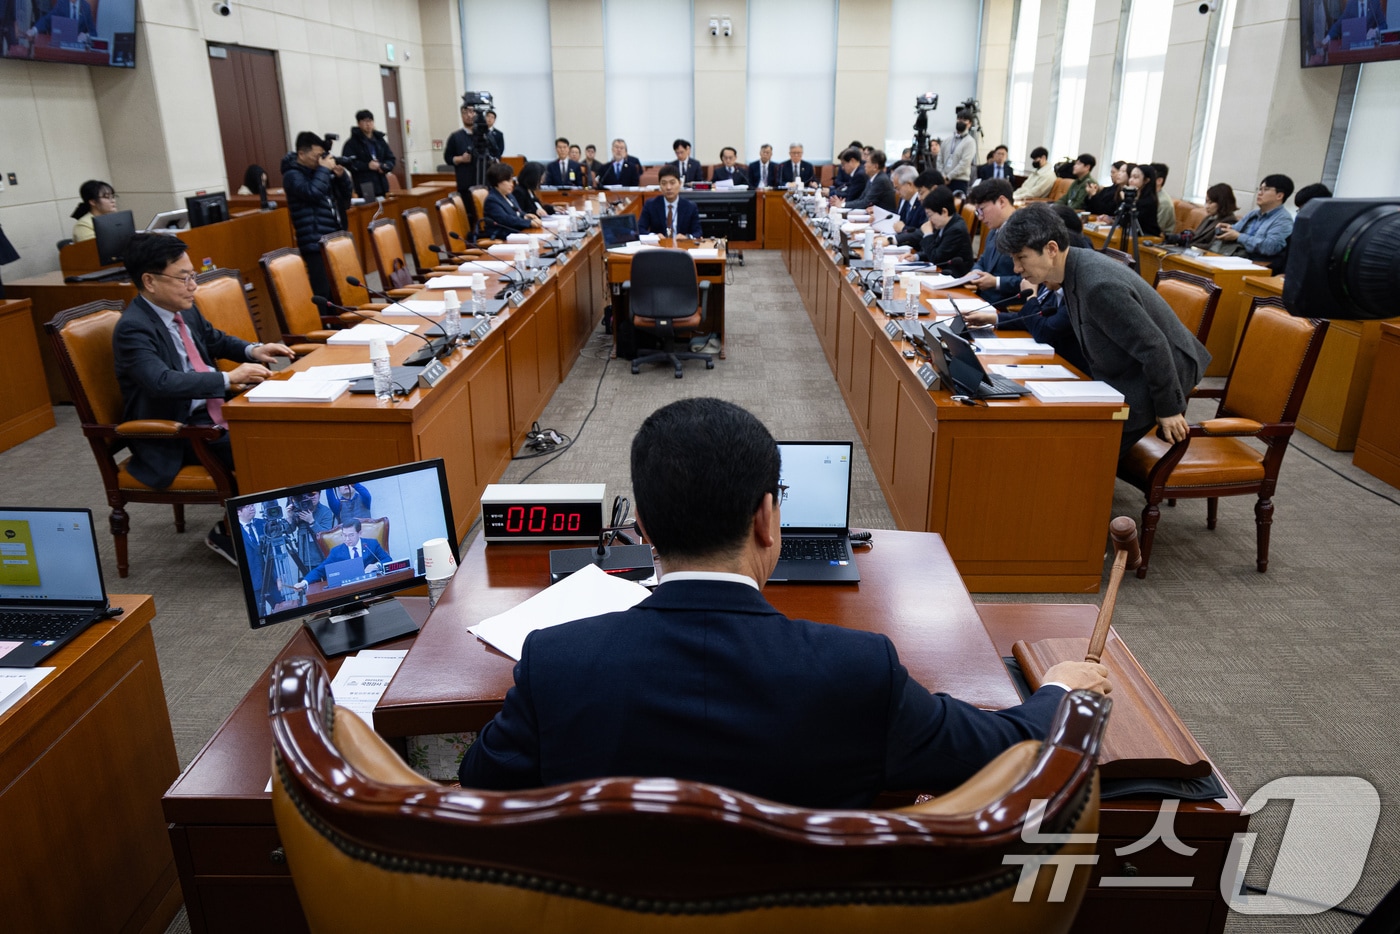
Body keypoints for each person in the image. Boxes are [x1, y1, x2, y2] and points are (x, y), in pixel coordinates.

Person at [459, 397, 1110, 807]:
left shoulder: (556, 662)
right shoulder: (858, 671)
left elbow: (479, 784)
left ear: (645, 532)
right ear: (769, 520)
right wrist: (1062, 688)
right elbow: (1012, 750)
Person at [112, 234, 294, 560]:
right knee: (264, 448)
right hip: (176, 431)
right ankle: (227, 533)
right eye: (183, 278)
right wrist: (228, 378)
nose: (193, 285)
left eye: (193, 275)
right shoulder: (133, 328)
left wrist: (253, 349)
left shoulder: (184, 309)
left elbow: (216, 340)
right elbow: (161, 382)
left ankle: (272, 530)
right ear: (149, 281)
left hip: (213, 412)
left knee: (282, 431)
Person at [996, 204, 1210, 459]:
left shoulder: (1098, 285)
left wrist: (1169, 409)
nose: (1016, 268)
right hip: (1120, 369)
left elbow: (1153, 345)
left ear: (1051, 249)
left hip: (1155, 379)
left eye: (1021, 258)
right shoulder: (1072, 268)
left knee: (1077, 452)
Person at [281, 131, 353, 300]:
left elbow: (345, 199)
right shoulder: (292, 175)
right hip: (313, 242)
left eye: (322, 155)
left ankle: (340, 323)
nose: (320, 159)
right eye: (317, 155)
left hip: (333, 238)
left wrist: (341, 177)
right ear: (301, 154)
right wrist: (323, 170)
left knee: (340, 289)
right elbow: (312, 192)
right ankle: (323, 325)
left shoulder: (318, 172)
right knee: (322, 291)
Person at [964, 179, 1024, 304]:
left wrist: (996, 282)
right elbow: (982, 260)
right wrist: (976, 271)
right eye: (977, 212)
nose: (980, 217)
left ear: (1001, 201)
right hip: (982, 300)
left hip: (1005, 306)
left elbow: (1033, 281)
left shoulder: (1025, 230)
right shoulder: (994, 230)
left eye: (982, 210)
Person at [293, 518, 391, 591]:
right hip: (350, 589)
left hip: (372, 586)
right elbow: (321, 570)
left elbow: (388, 560)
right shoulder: (337, 552)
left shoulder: (371, 544)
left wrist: (376, 565)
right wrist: (304, 582)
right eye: (344, 535)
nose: (347, 539)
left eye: (351, 535)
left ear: (359, 533)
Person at [1214, 174, 1294, 261]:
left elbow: (1270, 247)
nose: (1259, 193)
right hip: (1237, 257)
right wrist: (1228, 229)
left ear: (1279, 196)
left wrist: (1239, 237)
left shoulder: (1283, 220)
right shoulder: (1253, 213)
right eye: (1260, 189)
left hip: (1258, 263)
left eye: (1265, 189)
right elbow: (1236, 230)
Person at [443, 101, 498, 205]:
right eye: (465, 112)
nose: (469, 115)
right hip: (465, 185)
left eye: (472, 112)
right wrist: (460, 159)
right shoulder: (455, 137)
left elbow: (496, 153)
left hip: (486, 184)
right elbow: (448, 158)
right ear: (461, 115)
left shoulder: (487, 135)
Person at [916, 186, 974, 275]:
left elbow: (936, 258)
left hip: (955, 278)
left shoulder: (956, 230)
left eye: (930, 215)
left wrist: (928, 234)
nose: (929, 220)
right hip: (942, 273)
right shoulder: (944, 223)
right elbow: (936, 249)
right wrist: (916, 256)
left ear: (944, 212)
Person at [340, 109, 397, 199]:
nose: (368, 124)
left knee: (386, 208)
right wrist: (367, 166)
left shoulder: (380, 140)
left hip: (381, 183)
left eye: (370, 121)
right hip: (364, 184)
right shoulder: (351, 143)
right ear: (358, 123)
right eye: (364, 121)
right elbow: (348, 163)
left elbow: (391, 158)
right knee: (370, 209)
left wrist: (385, 166)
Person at [1097, 163, 1161, 237]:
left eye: (1135, 177)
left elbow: (1129, 221)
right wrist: (1111, 220)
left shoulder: (1149, 201)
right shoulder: (1134, 196)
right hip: (1131, 234)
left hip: (1146, 237)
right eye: (1130, 177)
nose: (1131, 180)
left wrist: (1125, 201)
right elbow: (1120, 217)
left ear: (1146, 180)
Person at [638, 165, 702, 239]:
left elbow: (698, 232)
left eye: (672, 183)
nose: (668, 187)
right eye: (664, 183)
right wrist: (654, 236)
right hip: (659, 247)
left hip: (681, 247)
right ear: (660, 185)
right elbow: (640, 229)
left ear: (680, 183)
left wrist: (687, 237)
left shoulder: (690, 207)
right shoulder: (650, 205)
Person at [482, 163, 536, 240]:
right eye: (508, 181)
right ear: (498, 181)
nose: (512, 184)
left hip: (515, 233)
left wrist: (525, 216)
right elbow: (505, 219)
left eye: (512, 180)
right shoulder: (492, 200)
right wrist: (528, 223)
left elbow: (517, 212)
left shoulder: (509, 195)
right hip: (502, 236)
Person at [1189, 183, 1240, 247]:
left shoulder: (1229, 222)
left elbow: (1213, 247)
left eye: (1210, 202)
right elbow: (1196, 237)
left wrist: (1188, 245)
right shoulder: (1209, 217)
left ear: (1221, 202)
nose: (1207, 206)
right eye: (1206, 202)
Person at [890, 166, 928, 247]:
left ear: (909, 185)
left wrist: (904, 229)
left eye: (898, 188)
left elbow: (923, 232)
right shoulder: (906, 199)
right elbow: (899, 220)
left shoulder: (923, 202)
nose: (897, 193)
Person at [938, 118, 977, 192]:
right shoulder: (947, 140)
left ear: (969, 124)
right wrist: (942, 175)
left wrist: (949, 177)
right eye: (959, 119)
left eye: (964, 120)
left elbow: (965, 163)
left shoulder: (970, 141)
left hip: (959, 180)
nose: (961, 122)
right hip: (943, 180)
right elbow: (939, 158)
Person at [28, 0, 94, 40]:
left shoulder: (86, 7)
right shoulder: (62, 3)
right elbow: (47, 20)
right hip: (63, 45)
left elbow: (94, 33)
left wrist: (87, 36)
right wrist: (34, 30)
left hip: (79, 50)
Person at [1150, 163, 1176, 236]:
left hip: (1158, 239)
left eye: (1148, 178)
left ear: (1159, 181)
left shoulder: (1164, 202)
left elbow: (1155, 229)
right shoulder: (1148, 196)